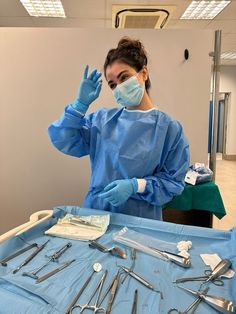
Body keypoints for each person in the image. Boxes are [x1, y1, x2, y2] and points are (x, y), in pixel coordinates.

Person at [48, 37, 189, 220]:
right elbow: (64, 140)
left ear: (143, 73)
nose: (119, 87)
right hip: (97, 215)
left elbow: (173, 182)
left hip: (140, 220)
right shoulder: (102, 121)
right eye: (113, 84)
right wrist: (79, 106)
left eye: (124, 77)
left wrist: (135, 185)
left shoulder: (169, 129)